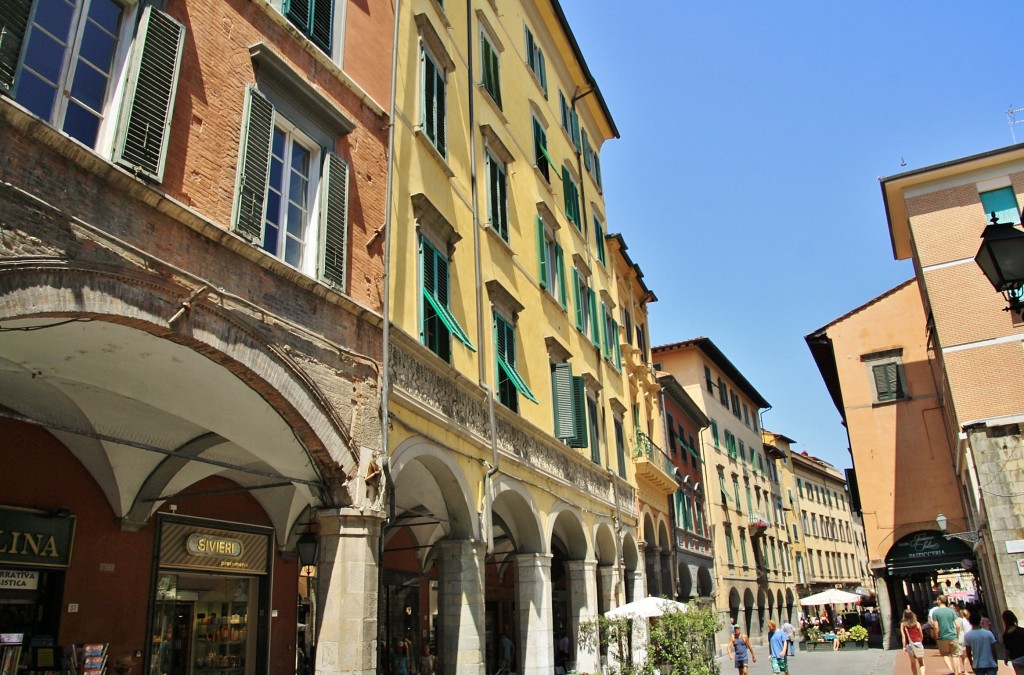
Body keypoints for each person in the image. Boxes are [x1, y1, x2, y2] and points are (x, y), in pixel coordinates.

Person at [930, 595, 962, 675]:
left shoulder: (935, 612)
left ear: (940, 601)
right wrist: (957, 634)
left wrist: (937, 637)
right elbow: (958, 625)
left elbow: (936, 627)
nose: (937, 601)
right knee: (955, 655)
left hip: (942, 636)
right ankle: (956, 672)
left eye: (937, 599)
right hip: (953, 636)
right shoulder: (951, 611)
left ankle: (951, 669)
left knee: (945, 654)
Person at [901, 608, 927, 675]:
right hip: (918, 643)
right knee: (921, 663)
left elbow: (903, 636)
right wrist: (920, 641)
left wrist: (904, 647)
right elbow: (921, 634)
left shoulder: (903, 624)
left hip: (909, 645)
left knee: (913, 663)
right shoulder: (917, 623)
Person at [1002, 610, 1024, 675]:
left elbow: (1007, 648)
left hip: (1016, 658)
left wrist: (1006, 658)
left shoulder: (1006, 635)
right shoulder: (1022, 630)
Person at [956, 608, 972, 675]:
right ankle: (966, 670)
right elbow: (967, 631)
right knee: (966, 655)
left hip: (960, 638)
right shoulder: (966, 621)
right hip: (965, 639)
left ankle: (960, 669)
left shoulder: (958, 620)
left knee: (961, 655)